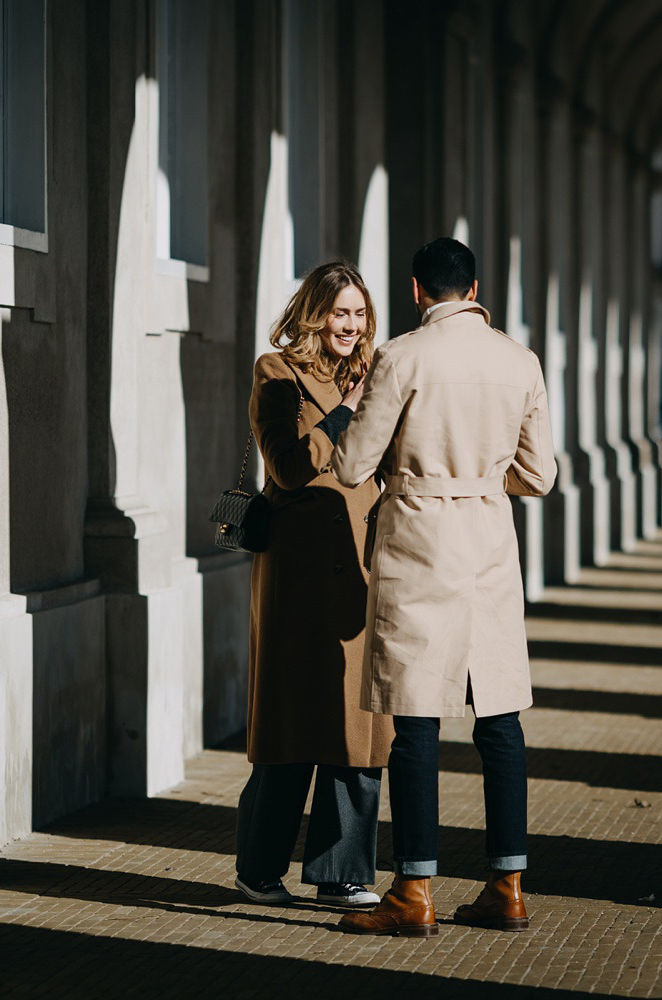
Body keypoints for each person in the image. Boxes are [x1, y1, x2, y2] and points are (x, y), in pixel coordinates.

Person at [327, 237, 557, 937]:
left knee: (416, 718)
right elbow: (541, 476)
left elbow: (350, 464)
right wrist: (485, 480)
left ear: (418, 290)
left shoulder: (402, 355)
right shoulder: (520, 361)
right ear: (476, 287)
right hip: (488, 541)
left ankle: (414, 892)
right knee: (500, 717)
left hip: (419, 539)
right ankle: (509, 885)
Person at [234, 260, 394, 909]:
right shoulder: (277, 373)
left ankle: (341, 872)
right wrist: (348, 412)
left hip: (360, 563)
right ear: (314, 313)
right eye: (340, 313)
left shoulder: (378, 370)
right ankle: (258, 868)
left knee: (358, 724)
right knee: (290, 720)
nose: (351, 326)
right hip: (297, 571)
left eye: (359, 314)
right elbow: (290, 466)